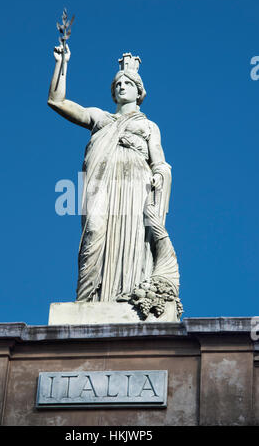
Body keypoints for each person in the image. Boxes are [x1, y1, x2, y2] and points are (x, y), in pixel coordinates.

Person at [48, 46, 180, 307]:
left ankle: (128, 299)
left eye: (128, 82)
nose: (121, 86)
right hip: (102, 185)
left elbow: (161, 162)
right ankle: (85, 302)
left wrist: (159, 176)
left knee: (133, 242)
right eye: (117, 83)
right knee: (95, 231)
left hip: (135, 188)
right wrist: (61, 64)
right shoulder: (101, 118)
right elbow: (57, 102)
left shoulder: (148, 126)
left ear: (138, 91)